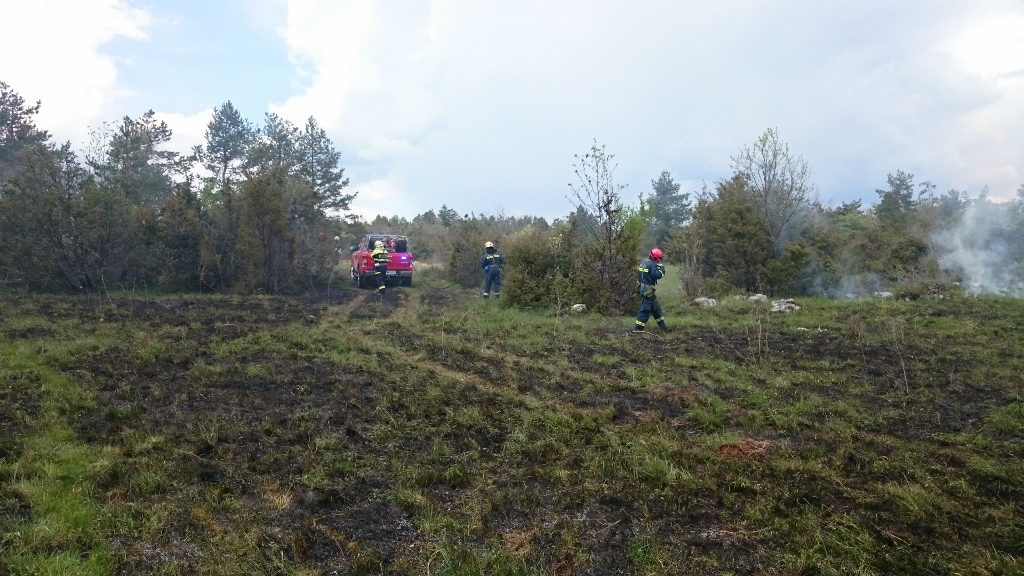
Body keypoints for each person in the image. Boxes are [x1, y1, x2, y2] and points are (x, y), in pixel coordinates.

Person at [634, 247, 668, 332]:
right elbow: (657, 275)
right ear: (655, 258)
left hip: (642, 287)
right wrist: (661, 268)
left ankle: (663, 327)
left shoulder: (643, 262)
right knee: (645, 310)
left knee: (656, 308)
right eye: (658, 259)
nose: (659, 261)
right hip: (648, 290)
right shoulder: (652, 265)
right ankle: (637, 329)